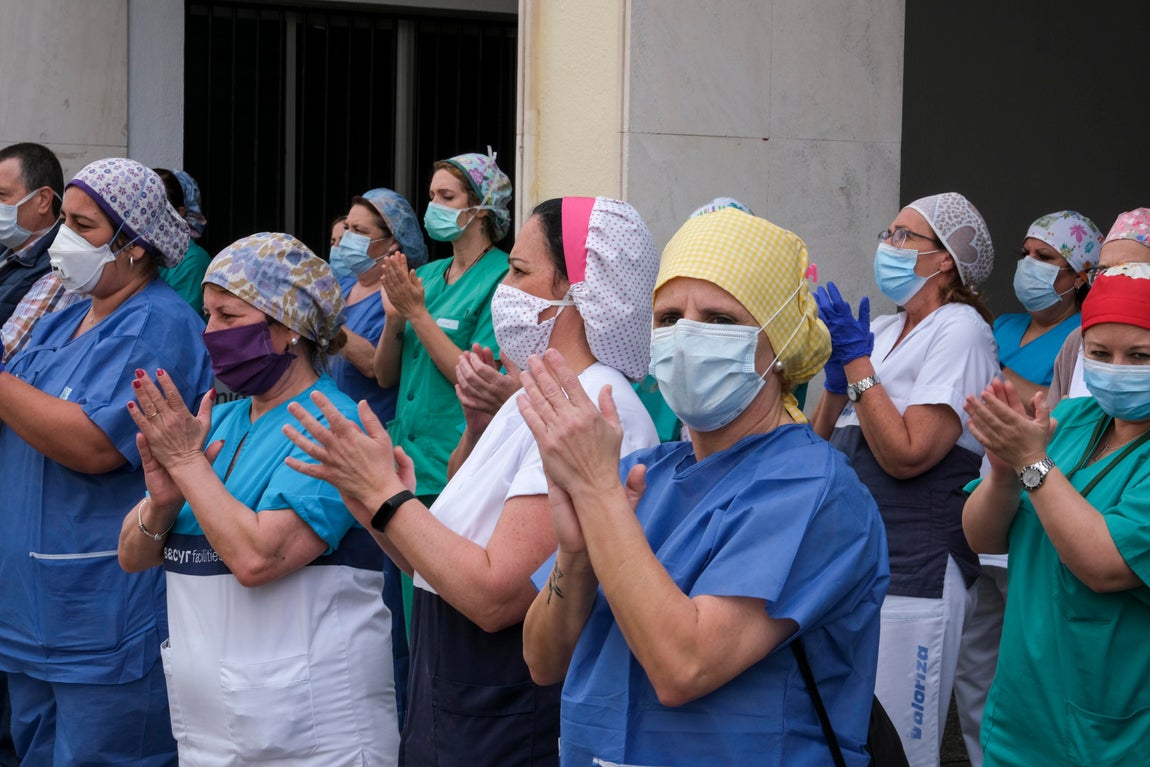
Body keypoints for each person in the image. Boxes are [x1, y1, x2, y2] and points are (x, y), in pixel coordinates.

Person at [285, 196, 661, 765]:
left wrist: (388, 499)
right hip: (453, 700)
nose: (504, 289)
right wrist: (375, 499)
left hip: (505, 708)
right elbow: (436, 564)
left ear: (581, 294)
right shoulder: (535, 396)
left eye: (520, 271)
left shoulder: (595, 409)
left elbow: (496, 595)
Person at [518, 207, 888, 765]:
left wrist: (596, 499)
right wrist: (575, 553)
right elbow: (543, 661)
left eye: (718, 319)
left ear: (779, 343)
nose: (687, 336)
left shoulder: (814, 490)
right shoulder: (641, 473)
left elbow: (682, 666)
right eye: (668, 318)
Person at [117, 232, 400, 766]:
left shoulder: (332, 429)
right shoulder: (216, 421)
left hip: (314, 736)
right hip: (212, 735)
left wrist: (185, 464)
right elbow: (131, 556)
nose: (209, 333)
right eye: (207, 315)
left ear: (287, 328)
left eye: (228, 316)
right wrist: (160, 503)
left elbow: (256, 557)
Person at [0, 157, 213, 765]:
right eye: (62, 220)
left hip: (99, 609)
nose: (63, 238)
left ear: (137, 249)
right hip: (31, 604)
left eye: (83, 226)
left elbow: (93, 443)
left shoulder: (160, 326)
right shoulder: (66, 317)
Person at [812, 192, 999, 767]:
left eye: (903, 236)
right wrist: (840, 382)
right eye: (886, 233)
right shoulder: (888, 328)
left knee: (900, 743)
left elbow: (909, 454)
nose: (886, 245)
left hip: (915, 562)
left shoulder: (960, 328)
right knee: (846, 736)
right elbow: (820, 444)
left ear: (944, 260)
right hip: (853, 558)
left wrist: (860, 368)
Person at [962, 262, 1150, 765]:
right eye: (1100, 354)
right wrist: (1002, 471)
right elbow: (982, 536)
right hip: (1022, 715)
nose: (1117, 368)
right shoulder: (1068, 419)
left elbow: (1102, 563)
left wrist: (1030, 462)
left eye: (1140, 355)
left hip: (1110, 732)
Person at [953, 209, 1101, 767]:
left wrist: (983, 367)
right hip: (989, 489)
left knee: (1033, 652)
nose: (1029, 266)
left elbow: (1045, 411)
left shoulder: (1083, 338)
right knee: (975, 661)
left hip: (1043, 508)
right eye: (1026, 253)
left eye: (1047, 259)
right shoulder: (1005, 326)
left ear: (1080, 276)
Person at [327, 187, 428, 728]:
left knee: (381, 595)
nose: (347, 237)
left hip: (376, 448)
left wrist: (325, 323)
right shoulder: (341, 286)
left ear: (393, 244)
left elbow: (377, 368)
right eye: (348, 224)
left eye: (364, 231)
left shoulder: (396, 295)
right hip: (330, 444)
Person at [375, 148, 513, 506]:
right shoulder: (425, 276)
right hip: (403, 463)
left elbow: (478, 380)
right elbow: (385, 376)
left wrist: (417, 314)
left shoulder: (503, 279)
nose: (433, 205)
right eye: (432, 196)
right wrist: (395, 318)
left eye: (447, 197)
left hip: (452, 463)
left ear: (482, 208)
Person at [1047, 208, 1150, 404]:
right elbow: (1054, 424)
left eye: (1128, 270)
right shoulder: (1077, 341)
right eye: (1103, 271)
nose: (1110, 280)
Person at [0, 143, 77, 360]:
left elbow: (9, 349)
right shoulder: (9, 245)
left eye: (2, 195)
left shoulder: (60, 266)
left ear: (43, 199)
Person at [154, 168, 212, 315]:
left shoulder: (193, 261)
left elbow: (175, 324)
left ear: (179, 213)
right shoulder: (135, 251)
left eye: (153, 210)